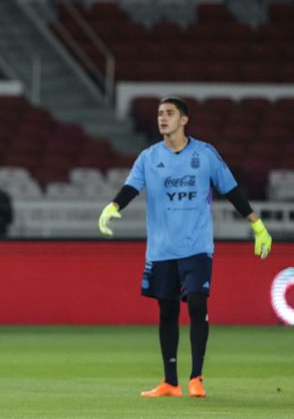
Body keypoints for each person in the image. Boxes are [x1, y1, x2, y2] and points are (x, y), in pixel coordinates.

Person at [98, 96, 272, 398]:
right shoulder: (149, 158)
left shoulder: (204, 155)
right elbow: (130, 188)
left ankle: (196, 377)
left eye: (169, 113)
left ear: (184, 120)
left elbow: (231, 190)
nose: (162, 118)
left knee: (196, 302)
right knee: (166, 311)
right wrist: (113, 206)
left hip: (197, 246)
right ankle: (170, 382)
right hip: (162, 249)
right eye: (159, 114)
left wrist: (257, 225)